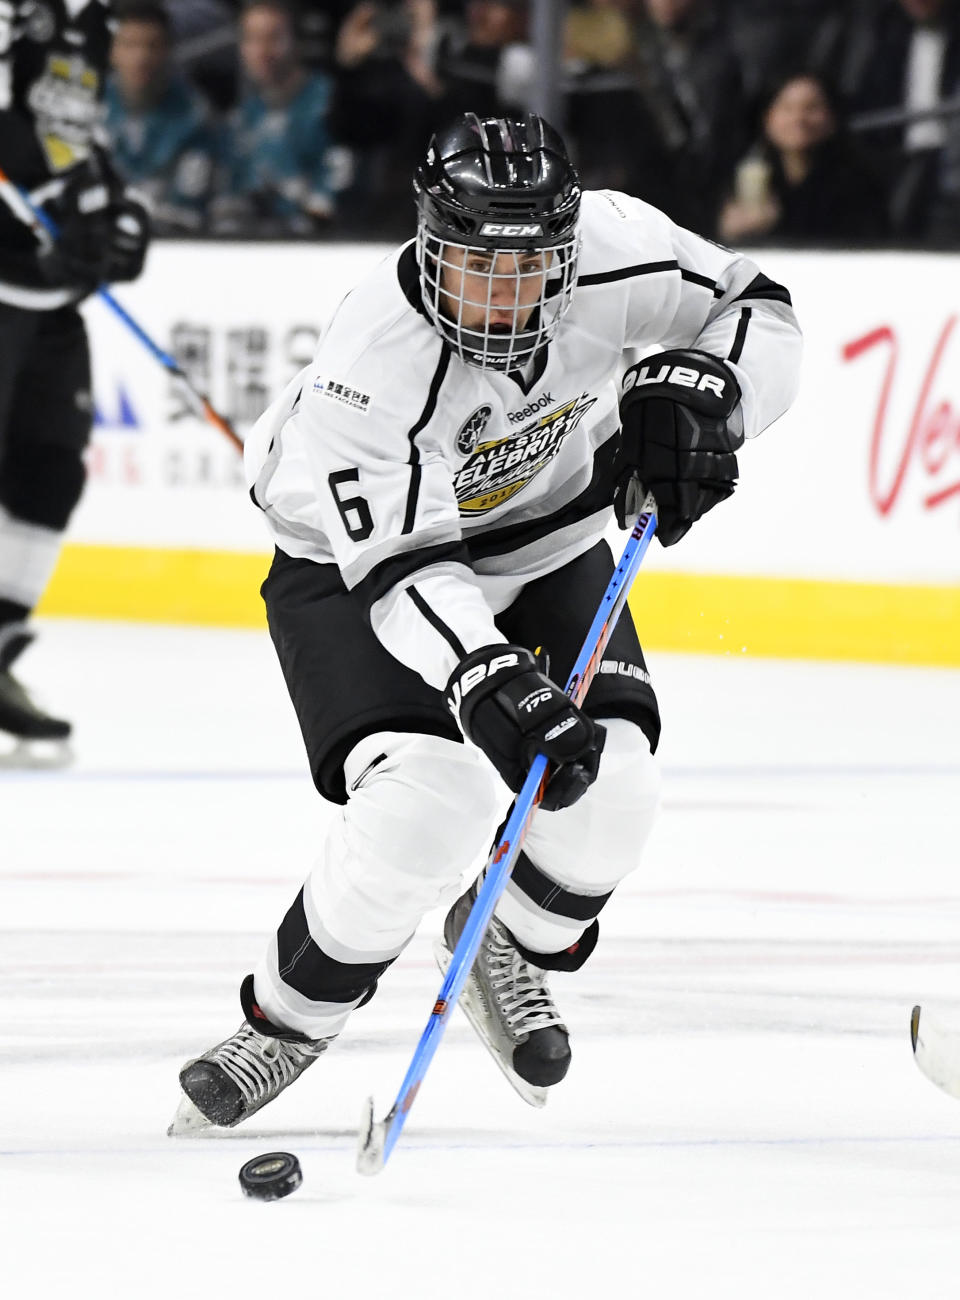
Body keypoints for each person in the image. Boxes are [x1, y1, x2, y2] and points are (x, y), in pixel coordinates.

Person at [171, 112, 801, 1132]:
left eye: (532, 266)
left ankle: (500, 940)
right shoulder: (369, 363)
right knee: (427, 803)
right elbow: (406, 566)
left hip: (547, 542)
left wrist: (712, 396)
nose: (506, 296)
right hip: (354, 567)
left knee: (614, 787)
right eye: (477, 266)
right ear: (427, 243)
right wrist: (487, 677)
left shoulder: (618, 246)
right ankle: (286, 1020)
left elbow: (755, 305)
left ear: (570, 246)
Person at [0, 0, 150, 755]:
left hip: (46, 291)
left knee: (50, 469)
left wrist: (115, 207)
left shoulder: (89, 17)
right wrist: (59, 204)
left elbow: (70, 134)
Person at [718, 70, 890, 245]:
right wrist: (730, 232)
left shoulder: (859, 184)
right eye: (787, 108)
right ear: (767, 118)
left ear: (832, 117)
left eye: (812, 108)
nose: (798, 119)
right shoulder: (740, 177)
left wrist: (777, 225)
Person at [210, 0, 336, 236]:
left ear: (297, 42)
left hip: (318, 246)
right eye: (252, 38)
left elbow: (337, 197)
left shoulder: (329, 105)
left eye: (274, 38)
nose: (262, 51)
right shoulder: (241, 117)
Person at [105, 1, 220, 234]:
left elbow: (190, 203)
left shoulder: (195, 117)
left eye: (152, 45)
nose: (141, 57)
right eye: (130, 45)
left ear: (169, 50)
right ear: (111, 51)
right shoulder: (90, 111)